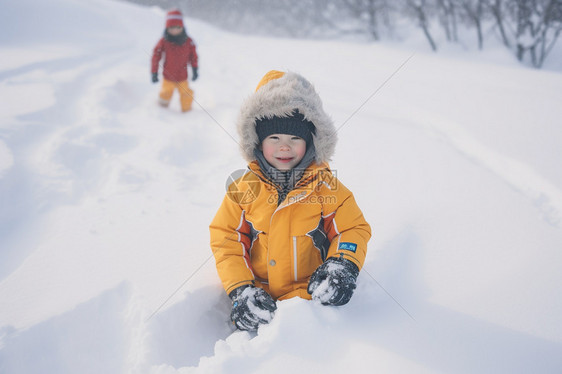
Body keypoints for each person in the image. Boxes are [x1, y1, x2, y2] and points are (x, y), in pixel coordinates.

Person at [210, 70, 371, 331]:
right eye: (274, 138)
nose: (284, 147)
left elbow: (352, 229)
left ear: (311, 143)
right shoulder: (245, 188)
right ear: (258, 142)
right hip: (262, 304)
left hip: (316, 300)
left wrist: (342, 264)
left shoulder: (325, 187)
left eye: (295, 139)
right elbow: (227, 239)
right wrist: (241, 289)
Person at [151, 9, 199, 112]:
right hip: (168, 76)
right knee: (165, 94)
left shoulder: (188, 42)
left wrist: (195, 69)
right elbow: (156, 55)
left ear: (182, 27)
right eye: (171, 27)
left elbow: (193, 56)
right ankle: (161, 110)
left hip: (182, 76)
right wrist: (154, 71)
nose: (174, 30)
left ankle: (187, 112)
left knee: (186, 94)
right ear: (167, 28)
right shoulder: (164, 41)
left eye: (177, 27)